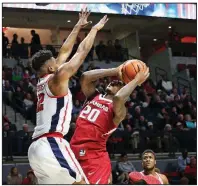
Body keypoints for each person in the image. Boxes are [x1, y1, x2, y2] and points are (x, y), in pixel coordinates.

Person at [28, 9, 108, 184]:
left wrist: (78, 26)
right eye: (54, 62)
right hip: (51, 142)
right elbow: (80, 53)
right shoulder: (56, 79)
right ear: (50, 68)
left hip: (36, 148)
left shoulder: (43, 82)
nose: (58, 61)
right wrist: (94, 30)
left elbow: (64, 52)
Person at [70, 60, 150, 184]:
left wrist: (136, 80)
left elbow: (118, 98)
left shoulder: (120, 110)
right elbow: (85, 77)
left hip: (94, 157)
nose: (116, 80)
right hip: (74, 150)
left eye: (121, 83)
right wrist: (114, 70)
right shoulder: (94, 96)